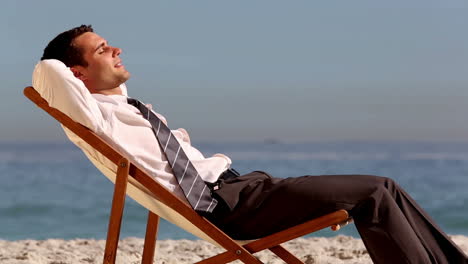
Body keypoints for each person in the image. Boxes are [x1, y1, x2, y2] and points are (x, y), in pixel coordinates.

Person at [36, 25, 467, 264]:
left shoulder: (133, 109)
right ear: (77, 72)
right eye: (102, 48)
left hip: (246, 188)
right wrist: (65, 62)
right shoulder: (95, 116)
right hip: (231, 205)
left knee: (383, 190)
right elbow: (47, 72)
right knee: (375, 190)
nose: (116, 49)